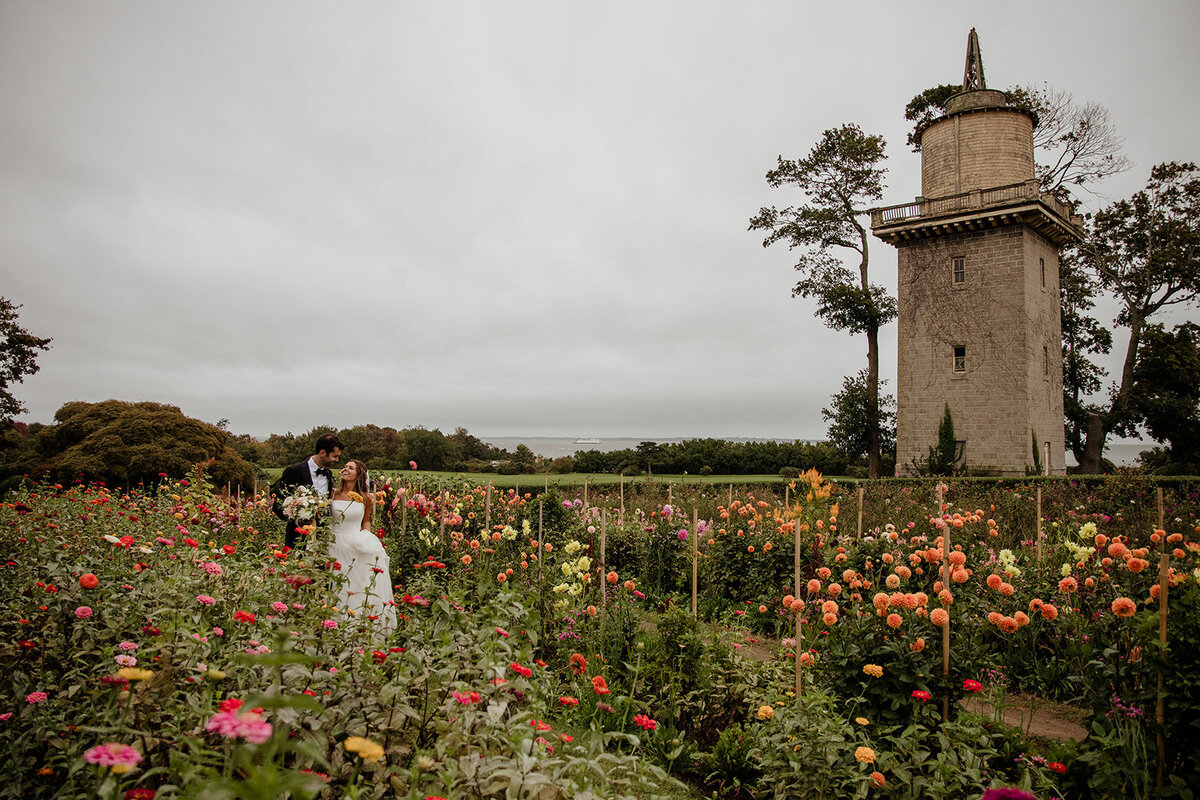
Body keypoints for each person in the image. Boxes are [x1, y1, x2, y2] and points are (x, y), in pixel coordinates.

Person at [326, 459, 396, 638]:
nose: (345, 469)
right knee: (335, 584)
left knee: (354, 584)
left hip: (354, 544)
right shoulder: (333, 493)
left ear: (358, 475)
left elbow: (366, 522)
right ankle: (332, 625)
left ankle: (354, 627)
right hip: (333, 543)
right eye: (345, 466)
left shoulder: (365, 498)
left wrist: (366, 540)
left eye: (351, 468)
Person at [271, 433, 344, 549]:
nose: (337, 460)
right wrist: (296, 517)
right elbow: (278, 504)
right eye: (335, 456)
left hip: (321, 539)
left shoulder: (328, 474)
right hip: (297, 539)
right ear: (322, 453)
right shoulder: (294, 471)